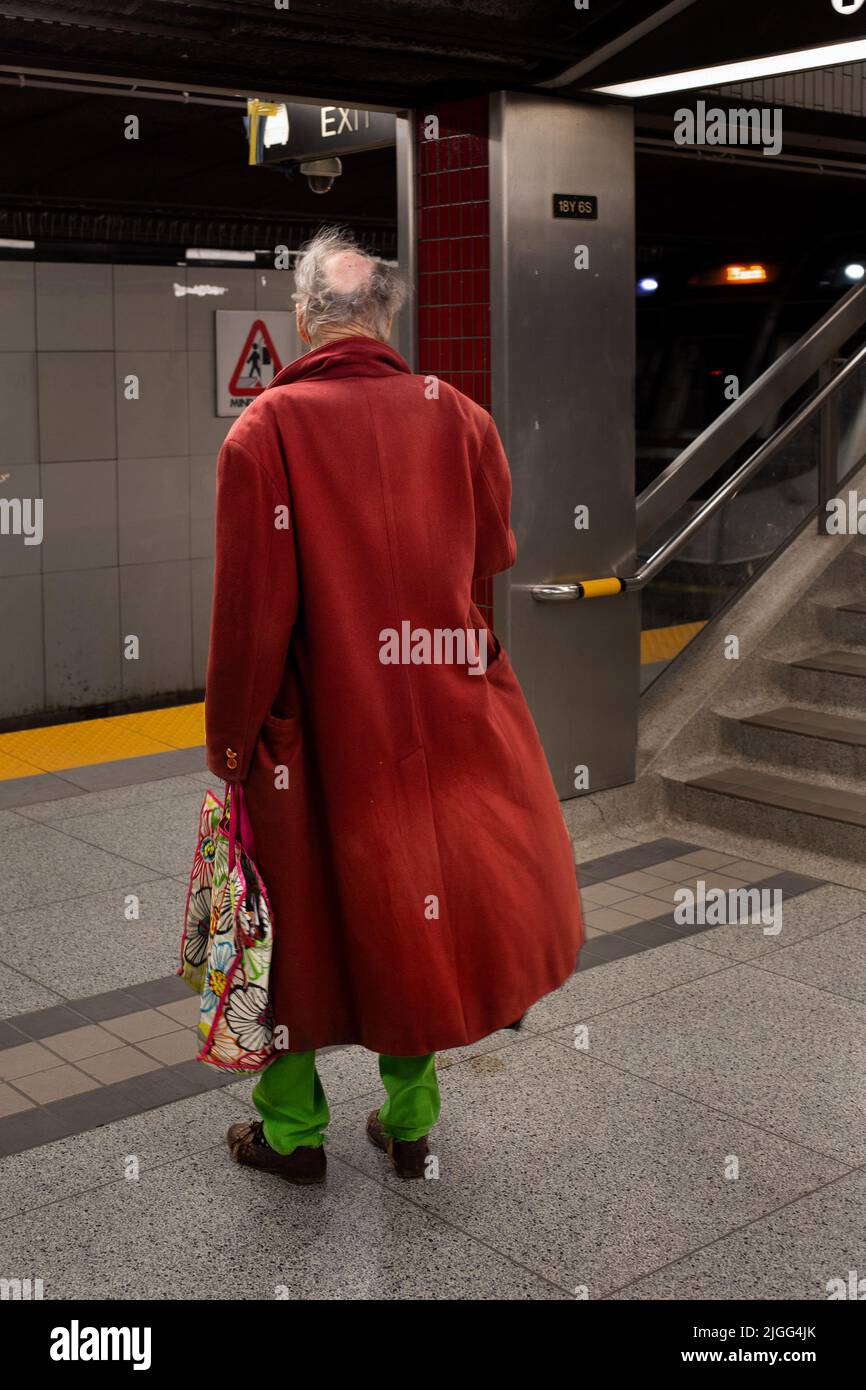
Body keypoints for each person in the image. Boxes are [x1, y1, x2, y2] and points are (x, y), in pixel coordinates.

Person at [205, 225, 584, 1186]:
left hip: (317, 731)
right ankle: (409, 1121)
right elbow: (490, 553)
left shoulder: (263, 433)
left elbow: (253, 618)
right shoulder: (459, 417)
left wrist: (232, 750)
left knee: (293, 925)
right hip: (442, 717)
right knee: (413, 911)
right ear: (386, 316)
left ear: (302, 320)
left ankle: (290, 1136)